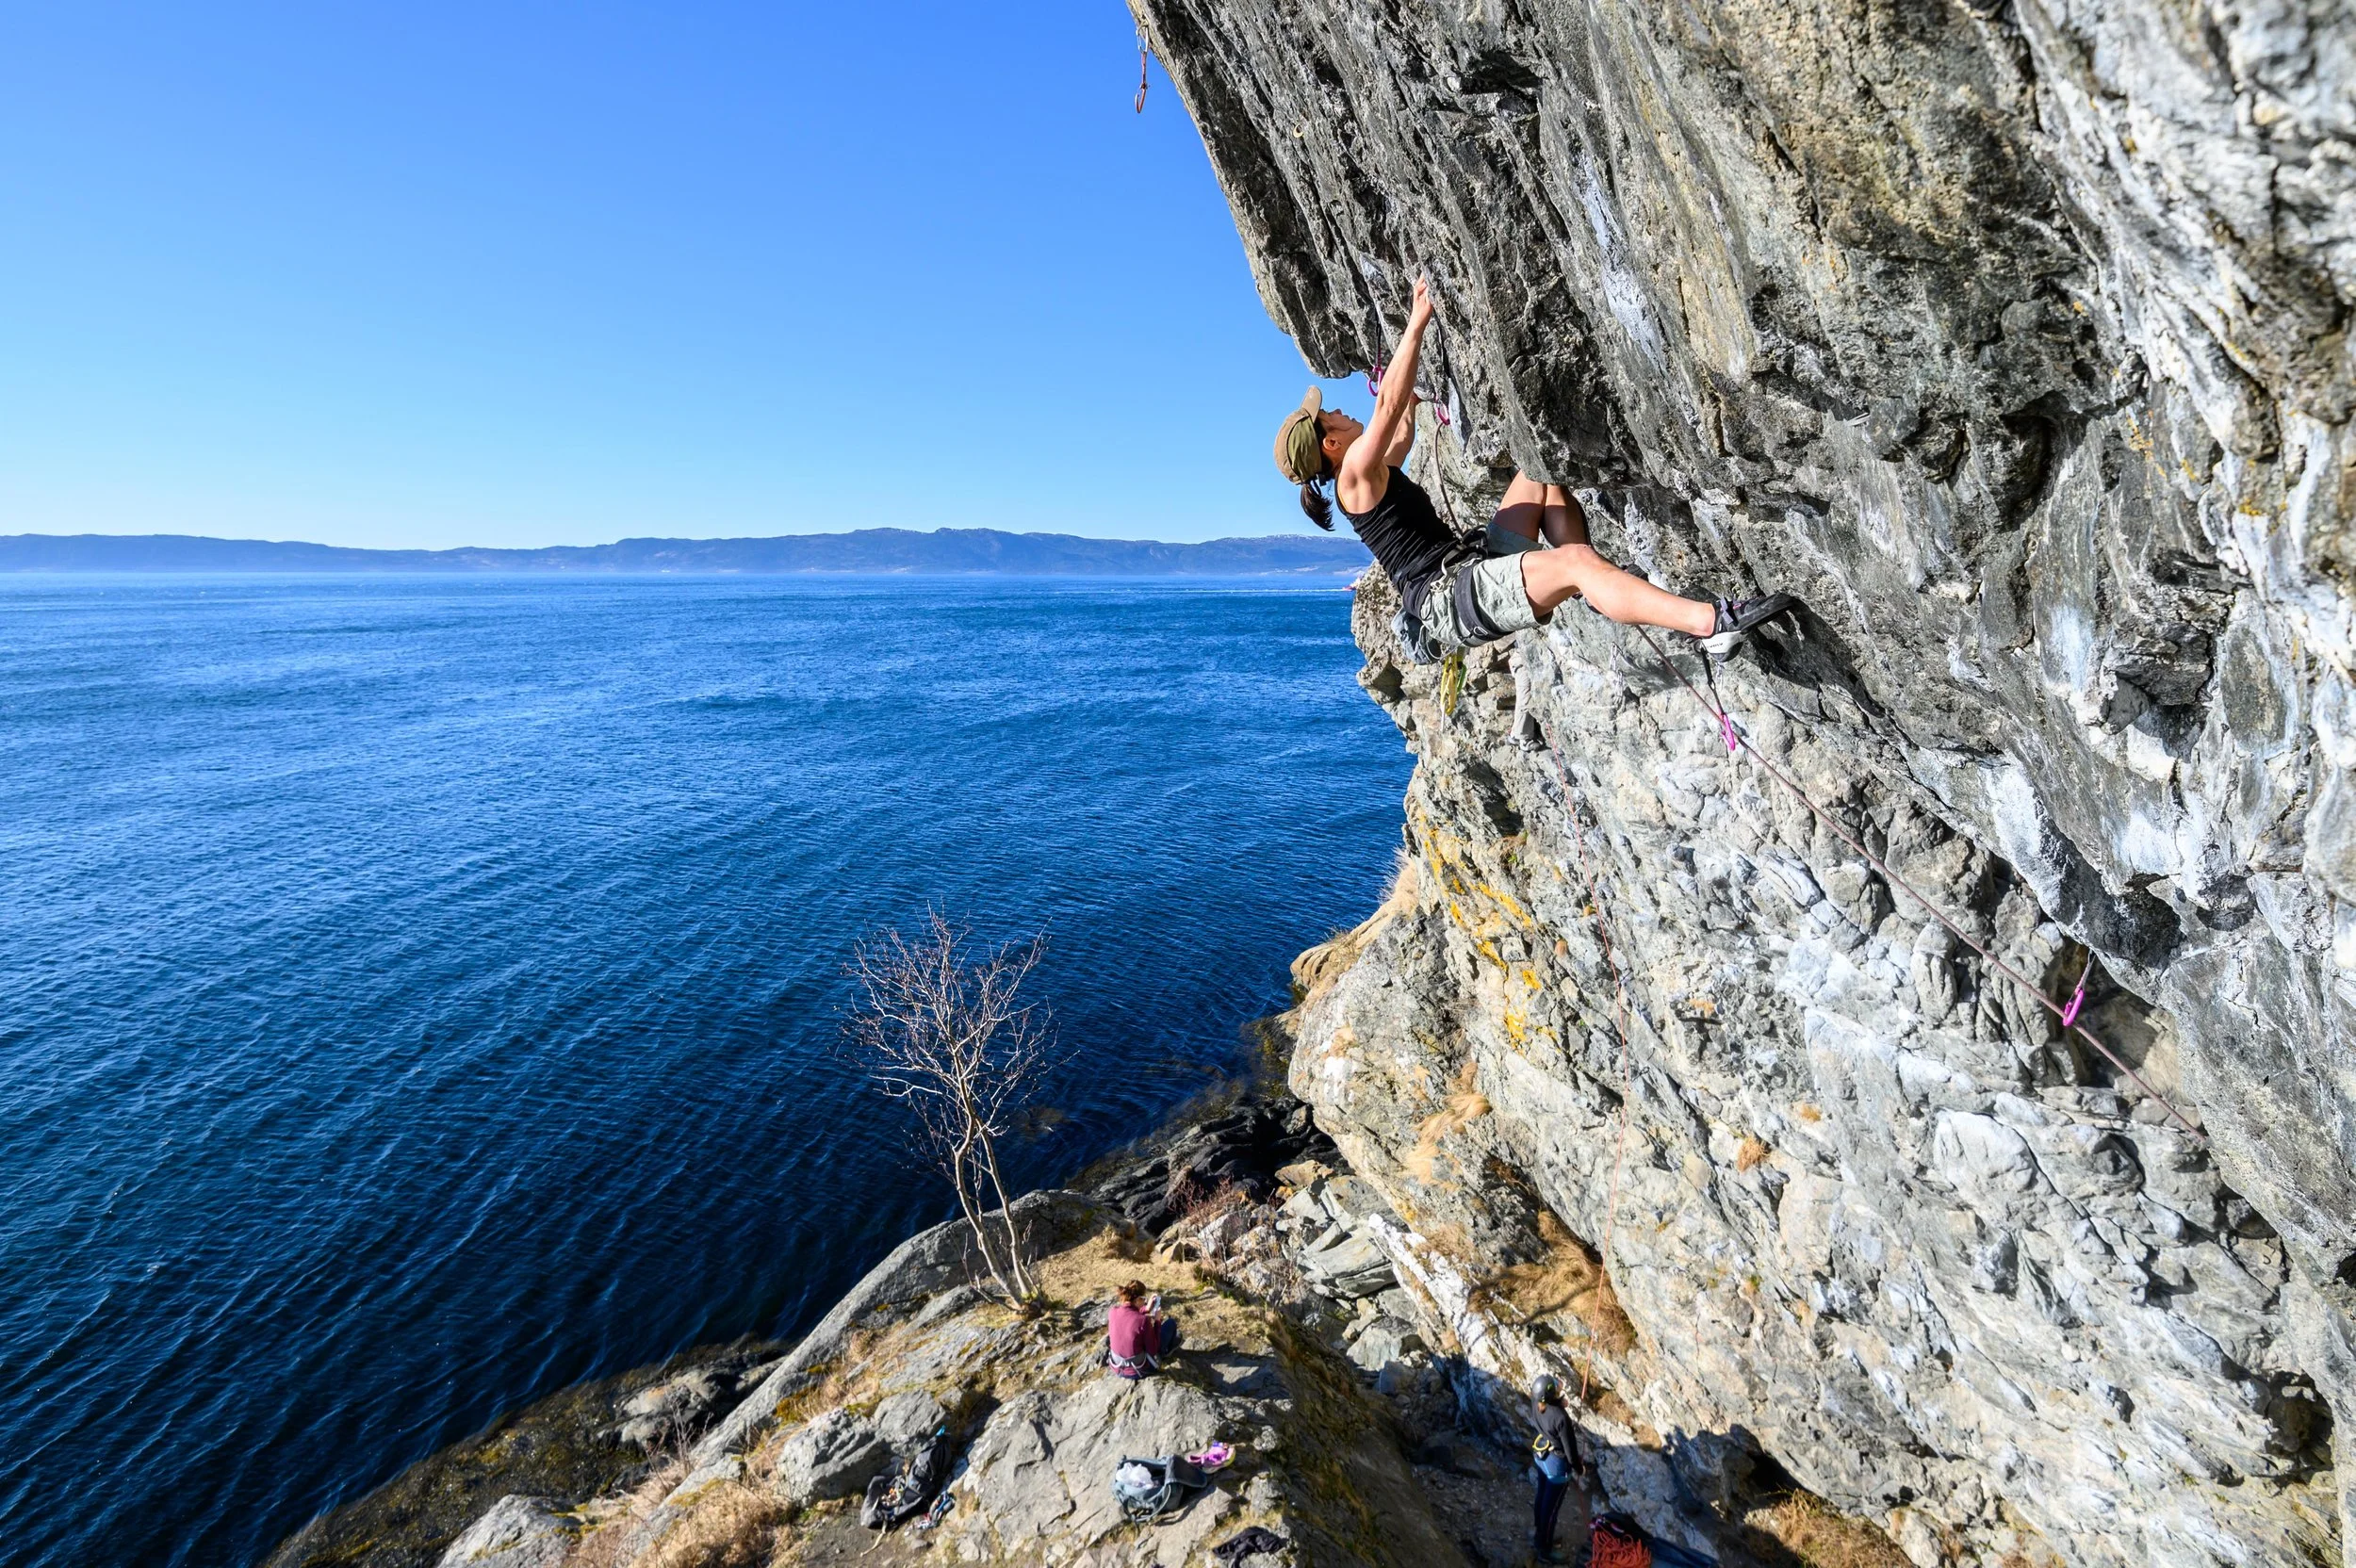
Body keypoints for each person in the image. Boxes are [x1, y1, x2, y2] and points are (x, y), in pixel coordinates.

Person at [1272, 277, 1792, 662]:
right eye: (1329, 415)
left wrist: (1408, 387)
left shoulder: (1368, 473)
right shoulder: (1353, 479)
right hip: (1453, 600)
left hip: (1469, 568)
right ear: (1333, 443)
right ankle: (1710, 623)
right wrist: (1418, 319)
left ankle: (1600, 585)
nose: (1339, 409)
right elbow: (1386, 409)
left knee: (1542, 469)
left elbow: (1399, 427)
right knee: (1575, 564)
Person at [1530, 1374, 1591, 1565]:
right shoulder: (1561, 1418)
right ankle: (1544, 1549)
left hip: (1541, 1457)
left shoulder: (1536, 1403)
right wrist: (1580, 1469)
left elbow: (1550, 1407)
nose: (1558, 1387)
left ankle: (1540, 1534)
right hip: (1556, 1466)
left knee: (1542, 1497)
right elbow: (1570, 1451)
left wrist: (1559, 1402)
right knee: (1552, 1509)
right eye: (1554, 1387)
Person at [1107, 1280, 1181, 1378]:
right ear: (1137, 1300)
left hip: (1117, 1367)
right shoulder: (1143, 1320)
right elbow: (1153, 1349)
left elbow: (1129, 1316)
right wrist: (1157, 1322)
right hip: (1138, 1370)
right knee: (1170, 1324)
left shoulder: (1112, 1312)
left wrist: (1145, 1309)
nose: (1145, 1301)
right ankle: (1165, 1352)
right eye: (1144, 1299)